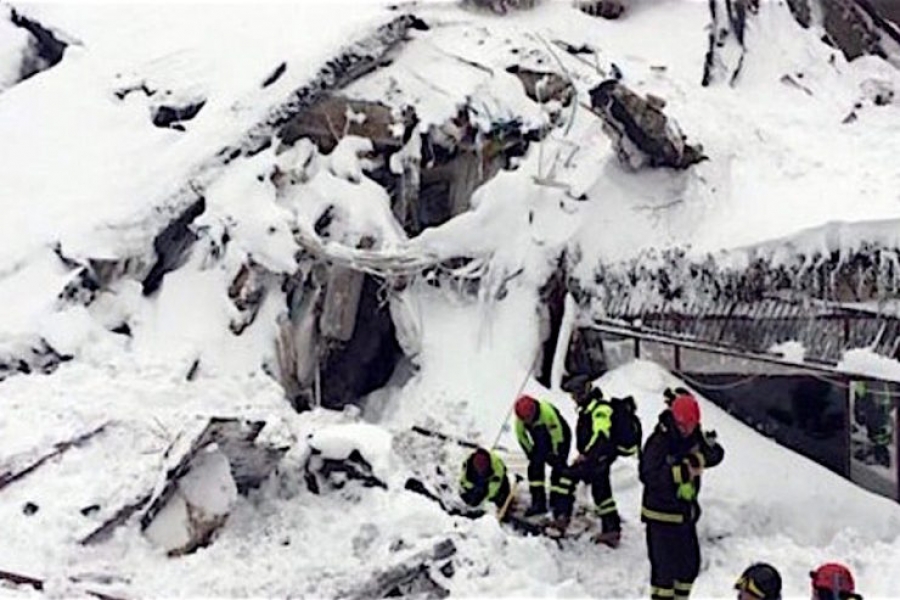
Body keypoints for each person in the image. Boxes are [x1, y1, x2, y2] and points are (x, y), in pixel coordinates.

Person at [640, 390, 724, 600]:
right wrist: (682, 472)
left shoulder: (694, 435)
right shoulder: (659, 440)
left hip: (684, 515)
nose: (688, 430)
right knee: (664, 575)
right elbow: (648, 475)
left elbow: (715, 453)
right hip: (660, 516)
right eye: (684, 425)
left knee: (689, 567)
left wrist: (701, 458)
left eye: (692, 425)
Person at [557, 375, 642, 545]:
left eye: (575, 395)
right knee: (602, 494)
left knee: (566, 478)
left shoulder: (600, 409)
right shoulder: (590, 408)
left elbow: (601, 434)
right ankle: (612, 530)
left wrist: (586, 455)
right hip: (599, 457)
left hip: (598, 457)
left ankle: (561, 519)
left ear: (582, 393)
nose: (573, 399)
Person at [514, 394, 573, 518]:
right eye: (524, 420)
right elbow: (521, 437)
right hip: (540, 440)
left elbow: (558, 435)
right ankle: (538, 502)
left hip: (560, 436)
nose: (527, 422)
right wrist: (530, 452)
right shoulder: (520, 420)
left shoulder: (547, 413)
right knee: (534, 468)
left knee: (559, 469)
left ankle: (557, 501)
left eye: (528, 419)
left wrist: (556, 453)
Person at [458, 447, 511, 512]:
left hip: (498, 489)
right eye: (479, 470)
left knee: (502, 500)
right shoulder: (468, 467)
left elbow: (493, 488)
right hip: (479, 487)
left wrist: (485, 498)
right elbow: (464, 481)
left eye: (483, 470)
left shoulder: (497, 470)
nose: (481, 472)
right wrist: (472, 490)